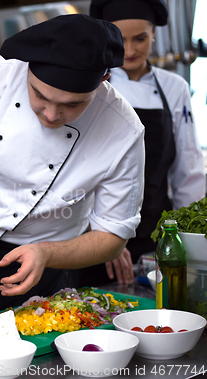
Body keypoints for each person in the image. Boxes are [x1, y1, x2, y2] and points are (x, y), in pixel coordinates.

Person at [0, 14, 145, 313]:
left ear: (103, 80)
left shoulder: (123, 130)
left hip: (51, 263)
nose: (50, 114)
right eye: (39, 94)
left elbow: (112, 236)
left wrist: (47, 254)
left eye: (71, 105)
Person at [71, 0, 206, 287]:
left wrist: (190, 240)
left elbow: (188, 168)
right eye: (120, 38)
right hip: (93, 232)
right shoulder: (90, 85)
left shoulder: (174, 88)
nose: (130, 50)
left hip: (157, 232)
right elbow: (76, 166)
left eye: (140, 38)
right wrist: (101, 235)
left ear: (154, 33)